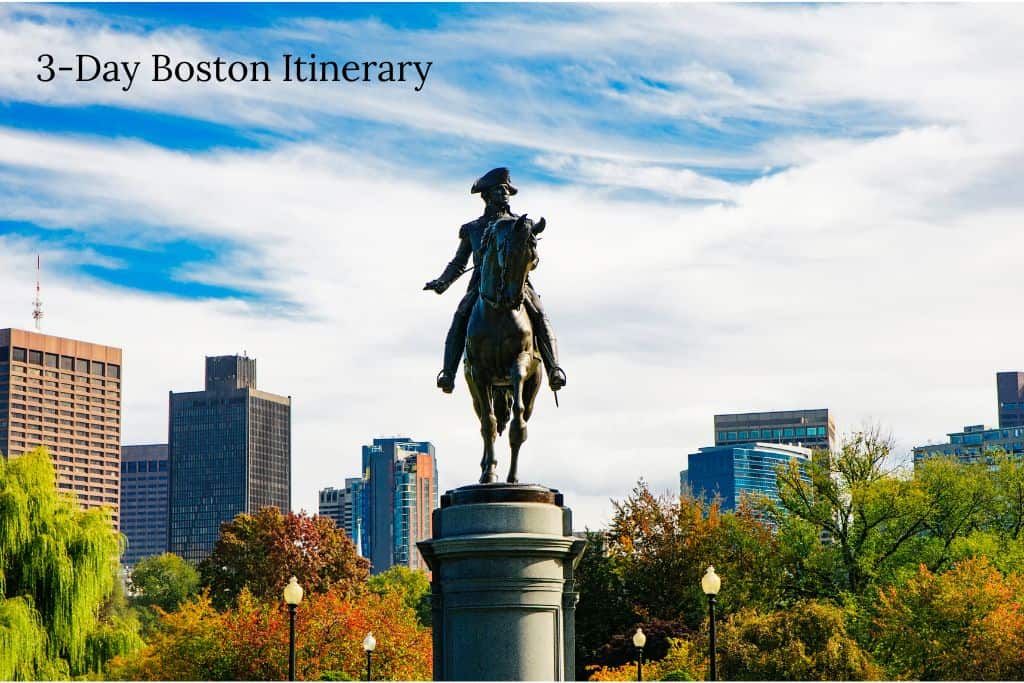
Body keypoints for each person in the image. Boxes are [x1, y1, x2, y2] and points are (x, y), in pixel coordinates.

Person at [425, 167, 567, 394]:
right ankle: (448, 373)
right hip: (482, 285)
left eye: (507, 190)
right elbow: (459, 262)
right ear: (487, 195)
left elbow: (533, 258)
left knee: (539, 314)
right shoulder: (473, 228)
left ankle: (554, 369)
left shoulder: (520, 225)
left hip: (517, 284)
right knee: (461, 316)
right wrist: (443, 282)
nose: (505, 194)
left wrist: (528, 262)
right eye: (500, 190)